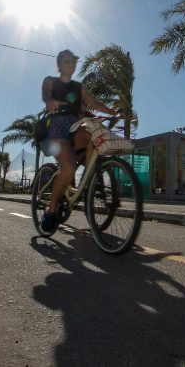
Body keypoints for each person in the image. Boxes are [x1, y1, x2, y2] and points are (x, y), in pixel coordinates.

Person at [39, 49, 118, 235]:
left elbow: (95, 102)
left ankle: (86, 184)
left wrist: (114, 112)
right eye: (66, 61)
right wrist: (51, 101)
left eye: (73, 62)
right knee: (68, 168)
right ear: (59, 65)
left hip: (76, 128)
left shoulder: (79, 87)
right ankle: (51, 212)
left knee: (95, 137)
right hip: (57, 128)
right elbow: (46, 96)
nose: (70, 64)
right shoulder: (50, 81)